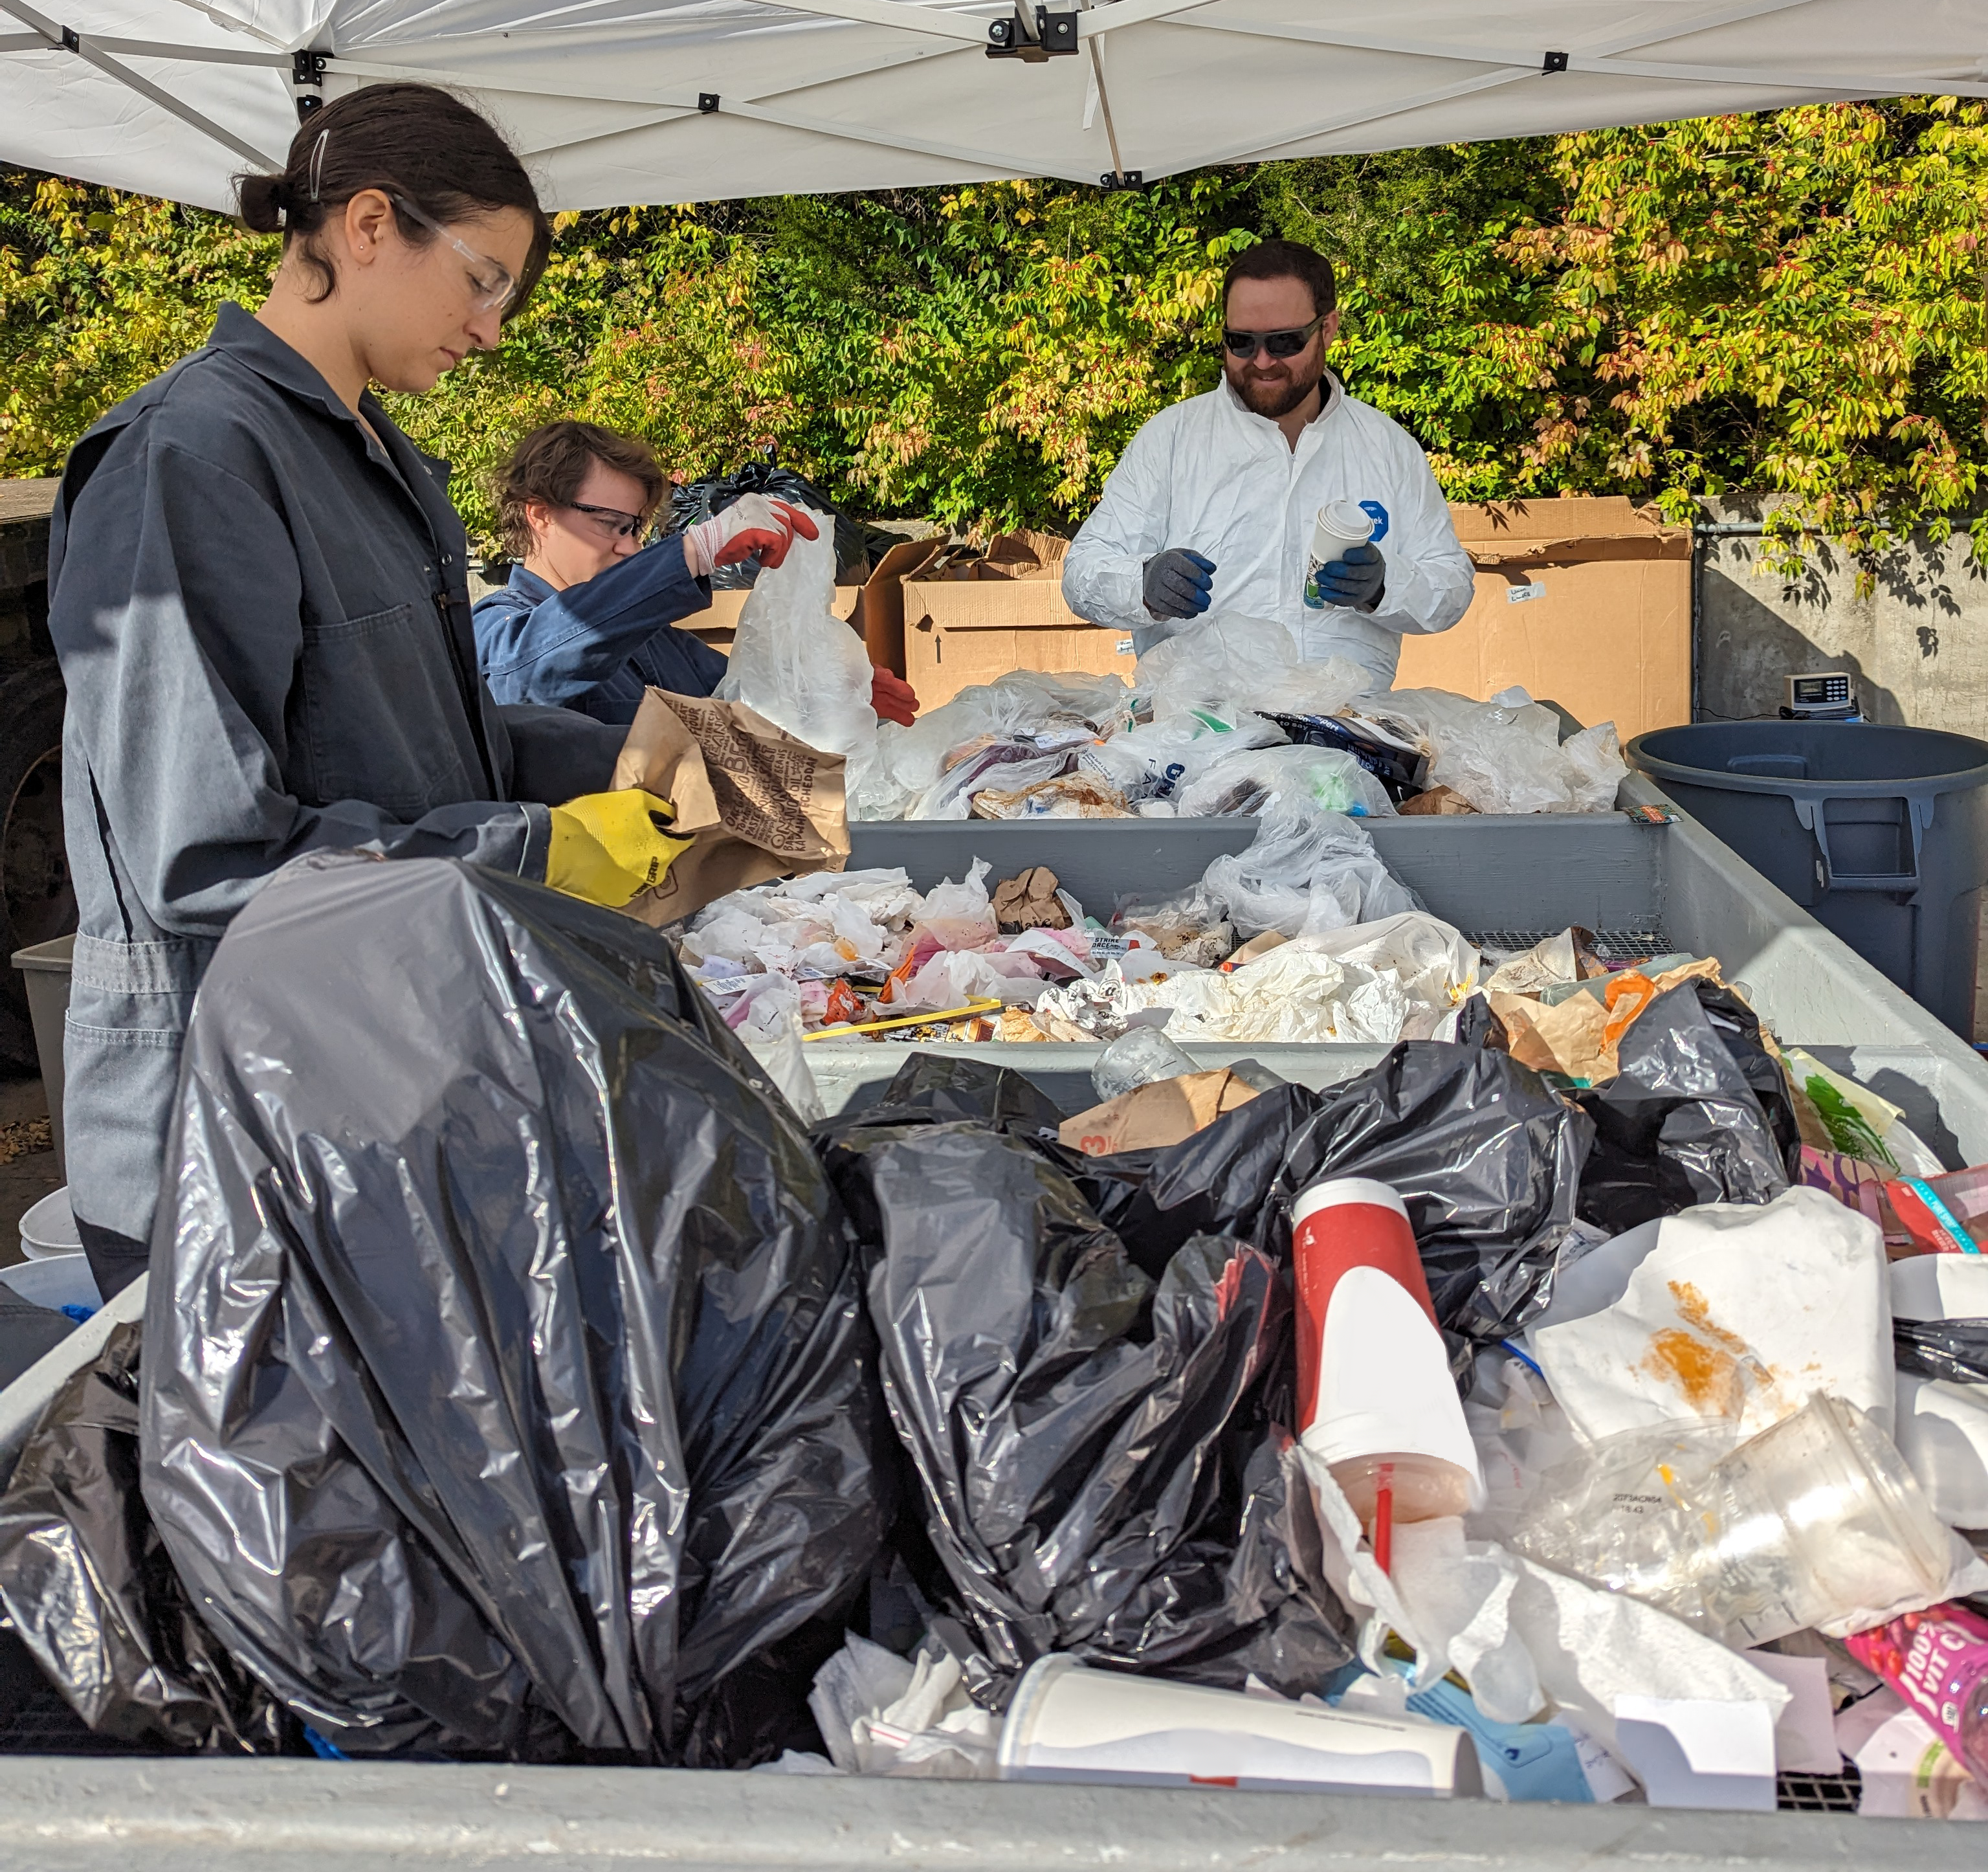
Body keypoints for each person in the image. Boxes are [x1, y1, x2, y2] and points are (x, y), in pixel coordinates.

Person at [47, 84, 688, 1298]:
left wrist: (636, 756)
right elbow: (208, 855)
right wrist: (535, 851)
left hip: (387, 1087)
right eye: (485, 280)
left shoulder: (380, 460)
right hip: (242, 1148)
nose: (494, 329)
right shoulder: (189, 457)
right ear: (370, 226)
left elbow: (416, 742)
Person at [1061, 239, 1475, 688]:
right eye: (1241, 342)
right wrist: (1141, 584)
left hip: (1344, 736)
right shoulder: (1172, 440)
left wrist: (1385, 585)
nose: (1261, 361)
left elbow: (1450, 586)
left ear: (1328, 328)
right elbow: (1083, 574)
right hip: (1198, 737)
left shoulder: (1387, 447)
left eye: (1283, 341)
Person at [474, 421, 921, 727]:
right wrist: (694, 551)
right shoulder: (496, 627)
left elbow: (741, 697)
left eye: (635, 529)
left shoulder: (653, 639)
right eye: (612, 525)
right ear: (540, 515)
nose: (629, 546)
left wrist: (825, 694)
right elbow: (521, 679)